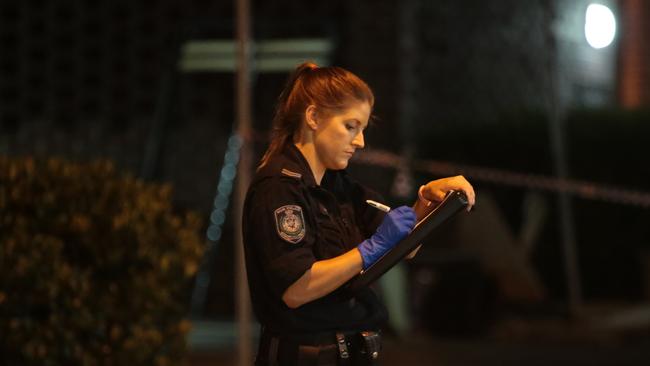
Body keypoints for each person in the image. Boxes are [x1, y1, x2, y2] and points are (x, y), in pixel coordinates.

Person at [242, 62, 475, 366]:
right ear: (313, 117)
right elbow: (296, 289)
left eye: (362, 129)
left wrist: (426, 202)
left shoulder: (340, 187)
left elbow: (405, 248)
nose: (360, 141)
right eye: (350, 126)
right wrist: (369, 250)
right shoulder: (280, 190)